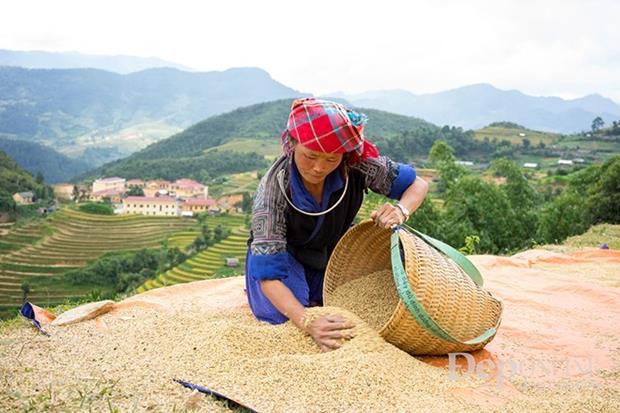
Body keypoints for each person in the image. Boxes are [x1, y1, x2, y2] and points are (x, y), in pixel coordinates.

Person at [245, 98, 429, 352]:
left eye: (331, 159)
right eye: (309, 156)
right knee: (283, 317)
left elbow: (417, 185)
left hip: (336, 248)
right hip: (285, 255)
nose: (319, 168)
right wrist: (307, 321)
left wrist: (401, 210)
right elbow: (269, 276)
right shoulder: (273, 191)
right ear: (292, 145)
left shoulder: (356, 164)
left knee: (367, 300)